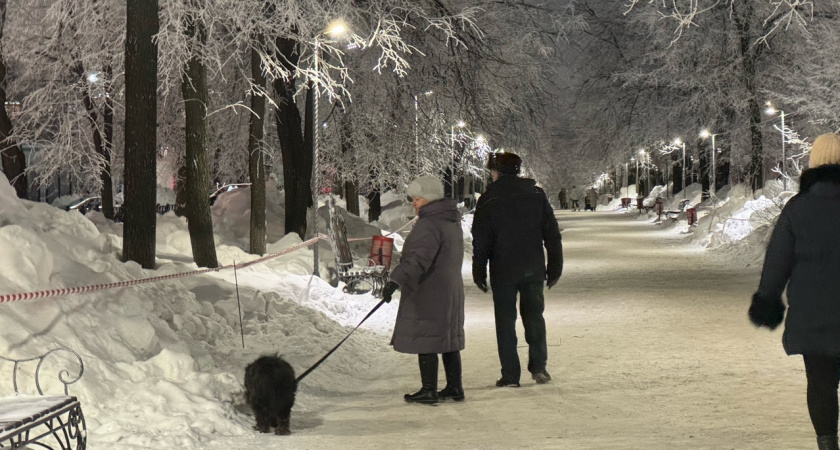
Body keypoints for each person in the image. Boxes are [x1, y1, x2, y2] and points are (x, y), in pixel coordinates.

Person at [748, 132, 840, 450]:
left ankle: (828, 445)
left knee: (821, 383)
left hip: (813, 316)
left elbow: (777, 261)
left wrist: (767, 300)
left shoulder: (797, 209)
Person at [471, 152, 563, 387]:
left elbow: (481, 240)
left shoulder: (488, 199)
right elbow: (551, 234)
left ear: (497, 172)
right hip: (532, 268)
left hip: (503, 271)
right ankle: (539, 368)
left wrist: (479, 270)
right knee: (534, 318)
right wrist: (555, 266)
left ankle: (511, 375)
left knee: (505, 322)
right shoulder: (536, 194)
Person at [381, 175, 466, 404]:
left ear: (429, 199)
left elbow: (417, 260)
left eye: (417, 199)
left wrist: (394, 281)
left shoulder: (429, 224)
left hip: (430, 289)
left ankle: (429, 389)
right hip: (449, 287)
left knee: (427, 336)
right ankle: (454, 386)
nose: (414, 203)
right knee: (446, 338)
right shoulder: (449, 220)